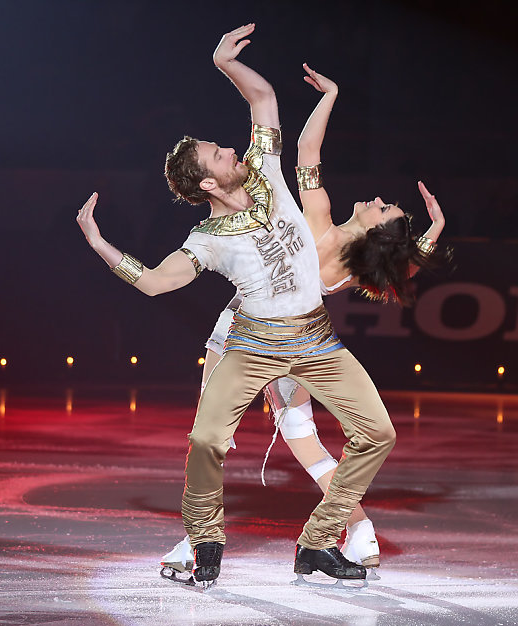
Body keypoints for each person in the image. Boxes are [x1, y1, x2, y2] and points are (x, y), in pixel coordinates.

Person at [77, 25, 430, 586]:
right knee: (205, 440)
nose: (231, 149)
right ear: (209, 184)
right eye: (219, 154)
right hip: (252, 343)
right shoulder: (206, 240)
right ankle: (205, 544)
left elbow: (263, 99)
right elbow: (152, 283)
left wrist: (224, 63)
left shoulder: (265, 172)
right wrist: (101, 246)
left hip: (316, 339)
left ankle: (318, 542)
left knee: (378, 432)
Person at [160, 64, 445, 577]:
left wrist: (424, 242)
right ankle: (211, 536)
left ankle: (350, 527)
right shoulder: (322, 220)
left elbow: (395, 261)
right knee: (223, 434)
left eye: (381, 208)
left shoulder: (346, 255)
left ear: (376, 232)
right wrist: (330, 96)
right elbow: (307, 154)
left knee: (287, 432)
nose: (376, 200)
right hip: (245, 330)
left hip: (287, 340)